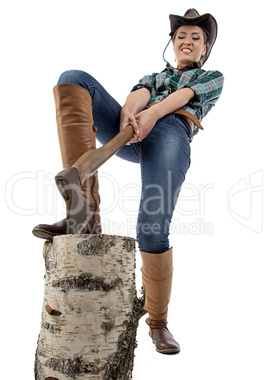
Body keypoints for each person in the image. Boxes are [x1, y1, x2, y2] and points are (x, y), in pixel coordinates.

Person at [33, 9, 224, 354]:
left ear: (204, 49)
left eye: (196, 38)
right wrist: (128, 113)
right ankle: (84, 214)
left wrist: (150, 113)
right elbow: (138, 93)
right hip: (133, 131)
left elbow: (180, 99)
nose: (187, 41)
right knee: (73, 77)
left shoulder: (213, 76)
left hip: (170, 134)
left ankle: (158, 322)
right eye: (181, 36)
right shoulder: (153, 75)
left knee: (152, 228)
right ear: (172, 42)